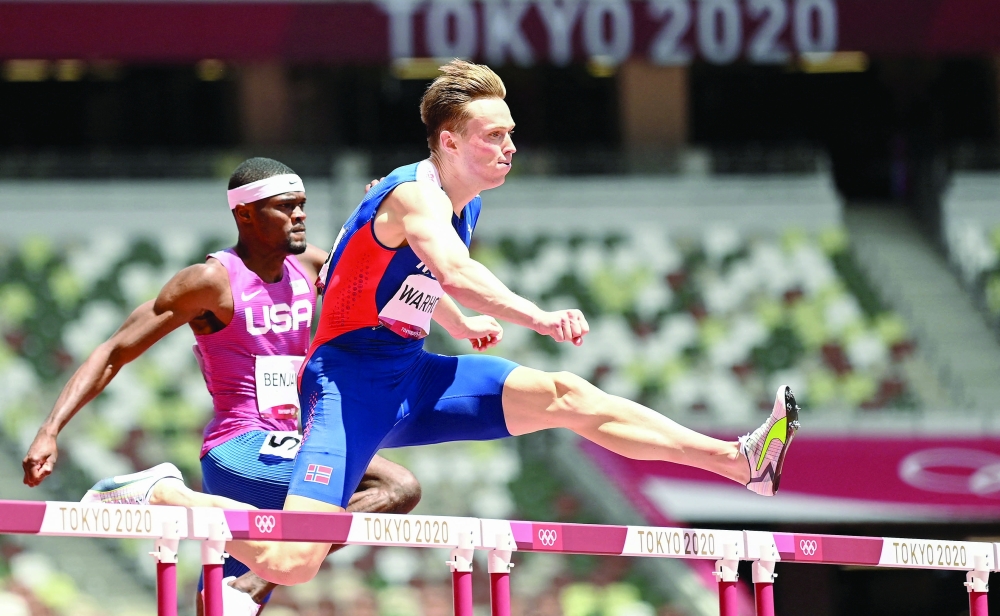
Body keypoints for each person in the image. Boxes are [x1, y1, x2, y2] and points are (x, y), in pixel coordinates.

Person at [91, 60, 801, 588]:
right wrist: (535, 315)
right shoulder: (410, 197)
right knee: (293, 563)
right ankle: (161, 494)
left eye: (513, 134)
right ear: (448, 142)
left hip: (414, 374)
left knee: (567, 397)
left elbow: (414, 278)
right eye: (494, 136)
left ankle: (740, 463)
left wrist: (457, 323)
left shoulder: (462, 201)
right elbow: (451, 268)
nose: (510, 148)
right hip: (346, 388)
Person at [21, 157, 423, 615]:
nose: (300, 215)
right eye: (285, 206)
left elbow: (378, 266)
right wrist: (50, 428)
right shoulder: (211, 281)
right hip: (240, 445)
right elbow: (114, 350)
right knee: (396, 486)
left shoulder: (308, 265)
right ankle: (182, 513)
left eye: (302, 205)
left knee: (215, 607)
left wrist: (378, 207)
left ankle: (246, 582)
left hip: (290, 443)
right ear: (245, 215)